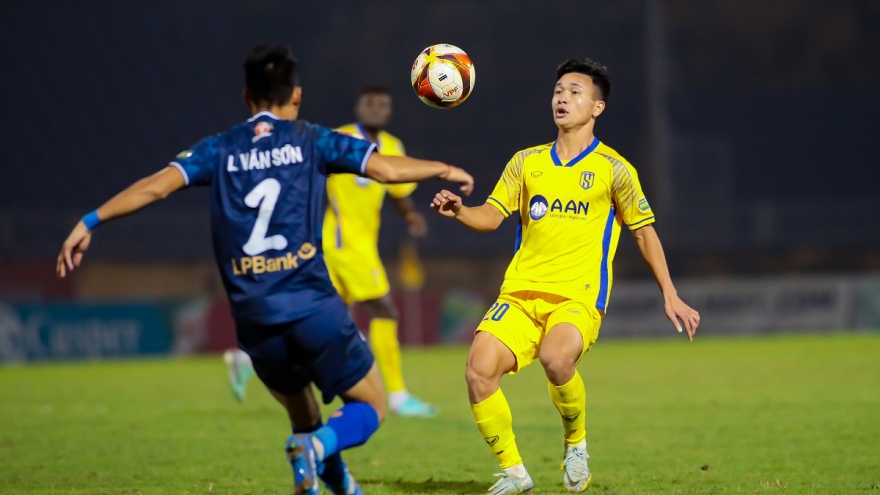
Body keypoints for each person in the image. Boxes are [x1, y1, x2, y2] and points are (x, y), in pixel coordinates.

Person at [56, 44, 474, 495]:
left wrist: (89, 221)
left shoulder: (218, 148)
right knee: (371, 405)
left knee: (305, 419)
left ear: (246, 97)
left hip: (255, 318)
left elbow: (155, 187)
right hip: (311, 305)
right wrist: (444, 169)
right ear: (296, 95)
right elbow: (387, 170)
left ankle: (339, 482)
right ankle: (317, 448)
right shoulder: (312, 139)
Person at [430, 58, 700, 494]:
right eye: (558, 91)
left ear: (597, 107)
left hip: (578, 296)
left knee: (556, 359)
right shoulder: (526, 162)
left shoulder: (615, 169)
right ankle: (514, 473)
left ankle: (576, 445)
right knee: (478, 370)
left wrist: (670, 293)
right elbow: (491, 216)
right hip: (520, 294)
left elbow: (644, 232)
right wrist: (461, 210)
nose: (562, 98)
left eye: (575, 92)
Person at [225, 87, 438, 418]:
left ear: (390, 110)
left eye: (383, 104)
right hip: (343, 242)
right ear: (358, 107)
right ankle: (397, 394)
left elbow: (397, 189)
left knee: (318, 318)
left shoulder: (393, 146)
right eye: (370, 103)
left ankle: (248, 358)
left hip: (357, 243)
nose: (377, 109)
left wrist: (410, 214)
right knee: (384, 310)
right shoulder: (340, 138)